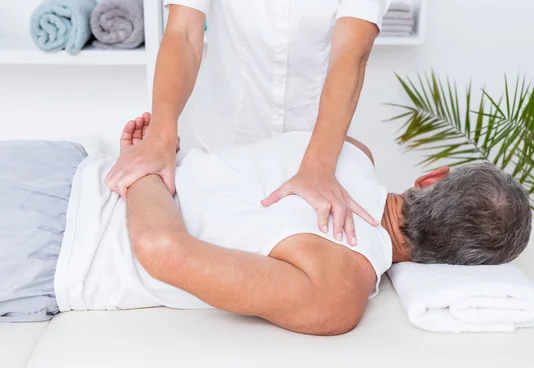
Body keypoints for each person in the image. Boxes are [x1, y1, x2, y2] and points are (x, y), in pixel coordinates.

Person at [0, 117, 532, 334]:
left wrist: (142, 157)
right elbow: (160, 247)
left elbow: (162, 248)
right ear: (453, 263)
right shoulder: (339, 289)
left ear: (433, 176)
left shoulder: (349, 150)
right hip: (44, 244)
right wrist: (139, 165)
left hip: (60, 177)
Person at [105, 1, 395, 247]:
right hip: (224, 144)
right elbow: (183, 32)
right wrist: (159, 138)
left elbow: (351, 53)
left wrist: (318, 166)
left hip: (317, 149)